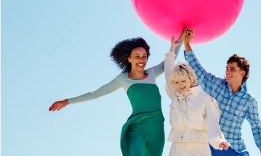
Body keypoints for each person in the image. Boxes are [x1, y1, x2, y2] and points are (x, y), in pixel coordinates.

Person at [49, 31, 186, 156]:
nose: (141, 60)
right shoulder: (123, 79)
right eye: (137, 56)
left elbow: (169, 61)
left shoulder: (151, 73)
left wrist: (179, 40)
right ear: (129, 59)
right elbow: (96, 93)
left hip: (156, 127)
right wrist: (67, 101)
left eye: (144, 56)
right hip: (136, 127)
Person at [183, 29, 261, 156]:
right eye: (227, 68)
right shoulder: (216, 86)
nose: (227, 72)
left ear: (242, 73)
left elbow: (256, 126)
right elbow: (198, 70)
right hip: (215, 147)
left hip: (237, 150)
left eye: (232, 69)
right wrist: (187, 44)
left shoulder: (249, 100)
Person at [163, 36, 229, 156]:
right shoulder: (175, 95)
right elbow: (168, 71)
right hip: (177, 147)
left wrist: (219, 141)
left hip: (199, 148)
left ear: (191, 78)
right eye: (176, 82)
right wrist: (172, 49)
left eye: (183, 81)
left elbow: (213, 123)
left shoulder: (205, 99)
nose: (180, 85)